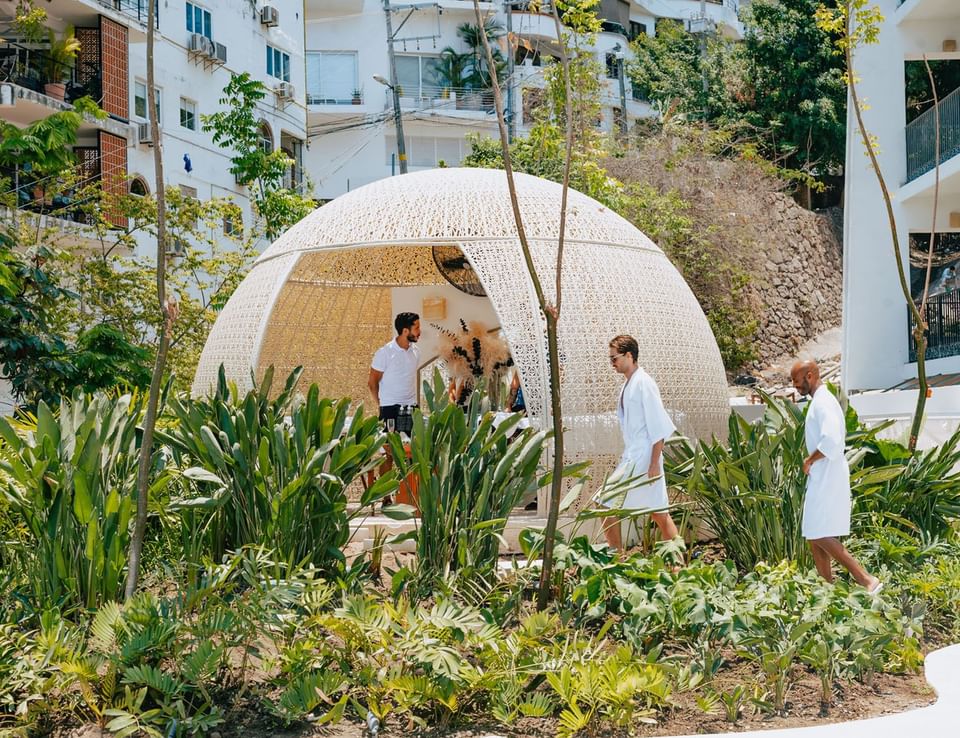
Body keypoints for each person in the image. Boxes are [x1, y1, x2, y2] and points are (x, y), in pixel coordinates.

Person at [791, 360, 881, 592]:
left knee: (817, 531)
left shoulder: (823, 403)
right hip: (824, 474)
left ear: (809, 376)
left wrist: (810, 460)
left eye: (797, 381)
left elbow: (832, 440)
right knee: (813, 533)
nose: (795, 386)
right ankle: (827, 589)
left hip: (827, 473)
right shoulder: (821, 401)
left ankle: (866, 579)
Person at [600, 335, 680, 551]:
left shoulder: (644, 383)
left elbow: (659, 426)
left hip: (643, 458)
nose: (612, 364)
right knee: (658, 512)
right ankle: (678, 564)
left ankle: (618, 557)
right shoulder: (629, 384)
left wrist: (654, 463)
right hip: (635, 455)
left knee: (605, 503)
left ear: (629, 355)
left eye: (614, 358)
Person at [368, 312, 421, 435]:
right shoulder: (384, 353)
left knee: (412, 449)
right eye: (417, 328)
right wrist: (382, 405)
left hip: (411, 407)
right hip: (390, 408)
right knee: (390, 448)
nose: (420, 331)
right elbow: (372, 383)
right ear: (405, 331)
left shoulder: (416, 352)